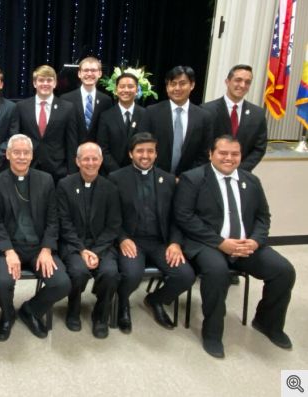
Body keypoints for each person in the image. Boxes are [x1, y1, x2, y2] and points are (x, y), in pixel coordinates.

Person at [174, 135, 295, 358]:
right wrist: (221, 243)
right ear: (211, 154)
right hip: (207, 243)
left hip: (245, 245)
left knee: (284, 271)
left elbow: (263, 217)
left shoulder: (251, 181)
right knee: (217, 272)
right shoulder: (193, 179)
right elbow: (184, 217)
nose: (228, 158)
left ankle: (267, 323)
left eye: (234, 154)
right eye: (223, 153)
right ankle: (212, 333)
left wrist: (255, 241)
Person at [108, 132, 195, 334]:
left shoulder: (169, 179)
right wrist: (121, 238)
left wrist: (175, 243)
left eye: (150, 151)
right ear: (131, 154)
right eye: (140, 151)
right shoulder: (116, 179)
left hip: (161, 242)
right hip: (132, 240)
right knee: (132, 274)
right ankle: (122, 303)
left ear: (156, 154)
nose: (145, 155)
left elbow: (177, 217)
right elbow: (111, 217)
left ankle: (155, 300)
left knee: (185, 275)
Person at [0, 134, 71, 341]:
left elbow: (53, 220)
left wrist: (46, 249)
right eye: (17, 152)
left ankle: (30, 310)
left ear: (32, 155)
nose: (22, 157)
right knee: (1, 281)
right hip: (8, 247)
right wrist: (8, 251)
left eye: (26, 153)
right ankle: (8, 315)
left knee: (62, 282)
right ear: (8, 155)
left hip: (38, 247)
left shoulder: (46, 180)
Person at [56, 142, 121, 338]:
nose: (90, 162)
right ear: (77, 161)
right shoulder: (65, 185)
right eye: (86, 158)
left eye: (94, 158)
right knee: (78, 271)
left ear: (101, 161)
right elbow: (63, 222)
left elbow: (114, 225)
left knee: (110, 273)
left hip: (102, 245)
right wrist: (82, 250)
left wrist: (97, 251)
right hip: (73, 244)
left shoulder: (110, 188)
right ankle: (73, 309)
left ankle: (101, 316)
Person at [144, 66, 212, 176]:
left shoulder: (204, 117)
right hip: (154, 177)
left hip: (189, 180)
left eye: (182, 83)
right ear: (167, 87)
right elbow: (144, 147)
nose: (177, 88)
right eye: (173, 84)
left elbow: (204, 154)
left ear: (192, 85)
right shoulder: (152, 112)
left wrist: (187, 177)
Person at [16, 65, 78, 182]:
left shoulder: (67, 108)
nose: (45, 83)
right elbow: (17, 137)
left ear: (55, 83)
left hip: (58, 169)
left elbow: (71, 142)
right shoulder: (21, 107)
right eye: (41, 80)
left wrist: (72, 172)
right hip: (28, 166)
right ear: (35, 83)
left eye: (49, 80)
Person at [202, 64, 267, 172]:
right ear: (227, 82)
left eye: (247, 82)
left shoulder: (258, 114)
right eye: (238, 80)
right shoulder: (206, 110)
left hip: (240, 174)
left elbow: (259, 148)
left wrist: (239, 170)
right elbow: (201, 145)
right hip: (209, 173)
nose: (242, 85)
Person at [96, 72, 147, 174]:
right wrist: (118, 173)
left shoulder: (146, 114)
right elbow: (103, 149)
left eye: (130, 86)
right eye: (122, 86)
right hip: (111, 173)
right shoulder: (106, 116)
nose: (126, 90)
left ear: (137, 90)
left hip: (139, 172)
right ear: (116, 90)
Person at [61, 57, 112, 143]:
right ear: (79, 74)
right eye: (86, 70)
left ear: (100, 73)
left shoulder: (106, 101)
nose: (89, 73)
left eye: (93, 70)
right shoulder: (66, 99)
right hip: (73, 151)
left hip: (97, 153)